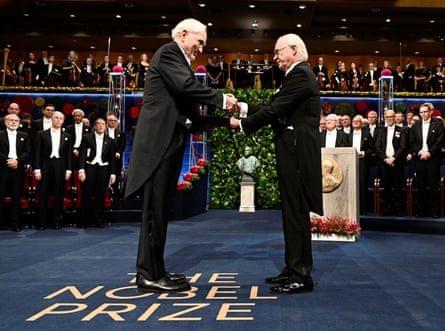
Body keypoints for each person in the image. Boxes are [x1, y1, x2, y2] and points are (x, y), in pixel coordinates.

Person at [124, 18, 237, 293]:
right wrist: (222, 99)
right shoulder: (169, 53)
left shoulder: (178, 63)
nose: (201, 48)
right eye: (199, 42)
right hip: (158, 147)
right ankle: (147, 274)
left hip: (170, 145)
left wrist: (227, 122)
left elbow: (189, 117)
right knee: (154, 212)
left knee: (161, 212)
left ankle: (156, 269)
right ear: (183, 34)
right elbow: (188, 88)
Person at [230, 33, 322, 294]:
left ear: (294, 49)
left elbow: (274, 110)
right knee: (293, 212)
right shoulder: (294, 76)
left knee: (296, 213)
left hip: (296, 150)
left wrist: (243, 124)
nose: (274, 57)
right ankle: (293, 268)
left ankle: (301, 275)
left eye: (278, 51)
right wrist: (243, 107)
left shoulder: (301, 74)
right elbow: (273, 105)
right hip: (291, 149)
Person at [33, 111, 72, 229]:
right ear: (51, 119)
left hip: (60, 165)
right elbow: (37, 153)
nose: (58, 120)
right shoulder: (41, 134)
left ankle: (57, 221)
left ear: (63, 121)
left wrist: (69, 170)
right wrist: (37, 169)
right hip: (45, 164)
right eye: (56, 118)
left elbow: (69, 154)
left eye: (61, 118)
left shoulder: (67, 136)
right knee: (43, 194)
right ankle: (42, 222)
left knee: (59, 194)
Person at [407, 103, 444, 218]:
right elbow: (412, 142)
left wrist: (429, 152)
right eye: (421, 112)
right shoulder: (416, 125)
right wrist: (420, 152)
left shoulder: (438, 124)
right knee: (420, 185)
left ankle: (434, 211)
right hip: (420, 158)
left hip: (433, 158)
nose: (423, 114)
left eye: (425, 112)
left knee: (433, 185)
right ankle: (421, 210)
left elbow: (440, 141)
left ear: (430, 112)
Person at [78, 118, 116, 228]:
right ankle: (84, 221)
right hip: (90, 167)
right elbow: (82, 155)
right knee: (86, 195)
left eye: (103, 124)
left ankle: (99, 220)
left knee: (101, 195)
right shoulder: (87, 138)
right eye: (98, 124)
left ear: (105, 126)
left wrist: (113, 173)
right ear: (94, 126)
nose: (100, 126)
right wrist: (81, 170)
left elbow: (112, 158)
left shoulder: (110, 140)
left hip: (103, 169)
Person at [0, 114, 32, 231]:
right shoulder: (0, 134)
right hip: (2, 168)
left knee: (16, 196)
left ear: (19, 123)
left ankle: (15, 222)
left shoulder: (25, 135)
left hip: (18, 169)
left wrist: (17, 161)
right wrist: (8, 160)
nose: (13, 122)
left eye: (16, 120)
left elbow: (27, 151)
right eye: (11, 120)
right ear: (5, 122)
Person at [374, 109, 407, 216]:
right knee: (386, 187)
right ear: (384, 118)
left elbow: (402, 147)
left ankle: (399, 210)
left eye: (391, 117)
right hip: (384, 163)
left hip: (397, 162)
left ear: (395, 117)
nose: (389, 119)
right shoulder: (380, 130)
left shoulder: (401, 130)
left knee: (398, 187)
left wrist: (393, 158)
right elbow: (377, 147)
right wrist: (385, 159)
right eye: (387, 117)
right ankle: (386, 209)